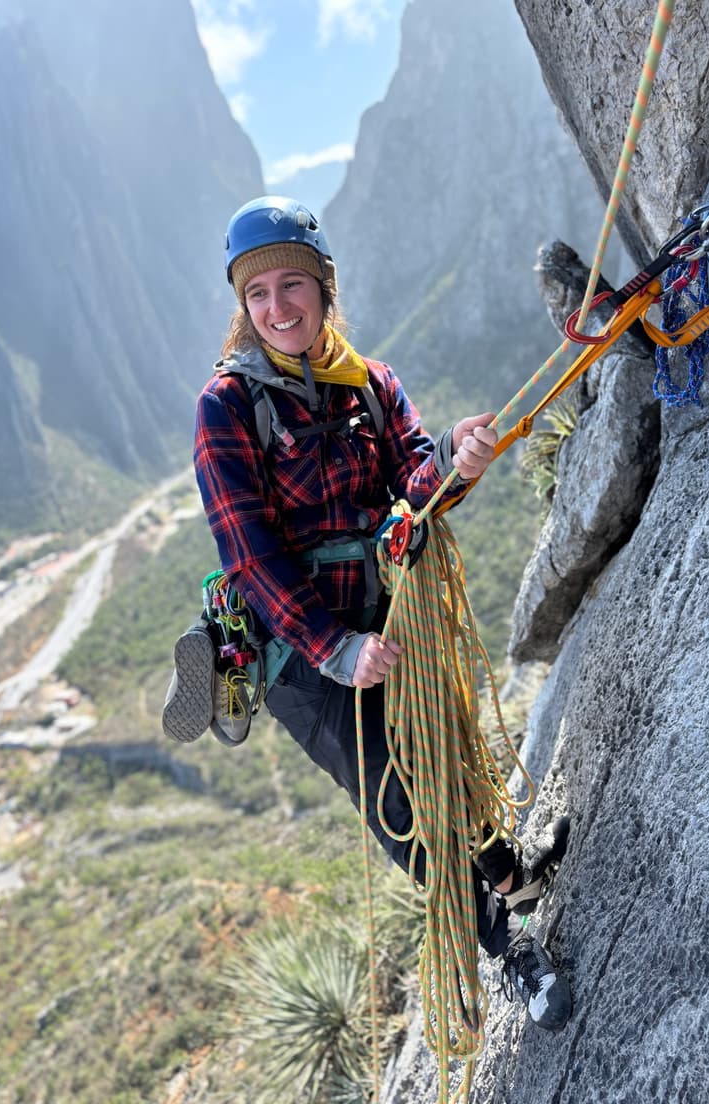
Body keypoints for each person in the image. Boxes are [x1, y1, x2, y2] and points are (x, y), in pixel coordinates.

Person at [166, 195, 573, 1031]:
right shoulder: (227, 410)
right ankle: (508, 950)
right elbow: (249, 554)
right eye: (258, 294)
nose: (278, 307)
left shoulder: (368, 385)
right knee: (400, 804)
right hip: (302, 654)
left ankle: (514, 874)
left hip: (386, 618)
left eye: (292, 286)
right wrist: (333, 647)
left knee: (447, 754)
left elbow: (415, 484)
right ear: (242, 308)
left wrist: (458, 461)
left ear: (323, 287)